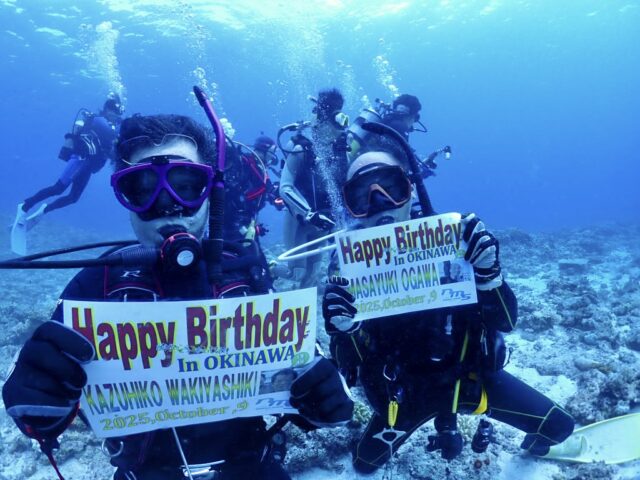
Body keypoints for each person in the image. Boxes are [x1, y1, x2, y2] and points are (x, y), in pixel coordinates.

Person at [2, 114, 354, 480]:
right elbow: (40, 420)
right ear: (125, 200)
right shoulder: (96, 284)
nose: (168, 204)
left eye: (186, 185)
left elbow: (302, 379)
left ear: (211, 192)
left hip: (252, 466)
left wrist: (323, 397)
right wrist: (35, 394)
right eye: (143, 188)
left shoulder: (245, 271)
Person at [322, 146, 575, 473]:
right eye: (361, 195)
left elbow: (505, 321)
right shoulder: (347, 267)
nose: (380, 201)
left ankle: (530, 446)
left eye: (391, 186)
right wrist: (344, 330)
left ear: (411, 188)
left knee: (559, 428)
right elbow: (349, 367)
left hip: (468, 381)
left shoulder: (457, 240)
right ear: (351, 207)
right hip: (404, 394)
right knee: (365, 464)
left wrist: (489, 275)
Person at [10, 94, 123, 254]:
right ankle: (24, 206)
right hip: (80, 160)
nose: (115, 115)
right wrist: (120, 130)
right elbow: (111, 135)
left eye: (117, 113)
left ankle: (44, 210)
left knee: (73, 198)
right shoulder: (99, 120)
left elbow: (111, 149)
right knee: (58, 189)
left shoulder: (110, 126)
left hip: (88, 166)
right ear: (106, 110)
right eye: (113, 111)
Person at [279, 88, 350, 287]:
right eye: (337, 121)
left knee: (312, 276)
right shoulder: (302, 149)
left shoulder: (341, 152)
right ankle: (266, 269)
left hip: (324, 223)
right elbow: (285, 188)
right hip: (299, 221)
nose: (341, 128)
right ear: (323, 120)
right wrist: (309, 214)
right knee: (296, 274)